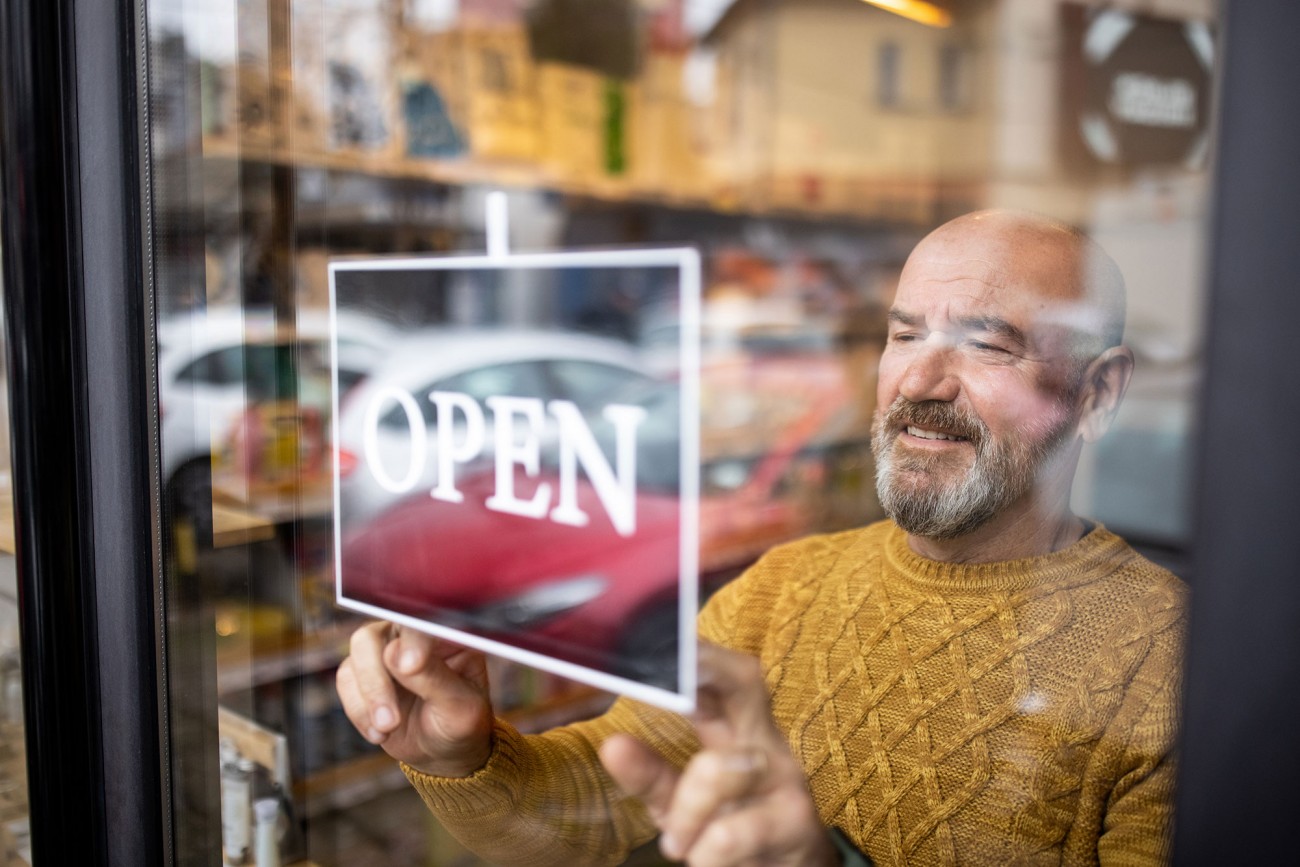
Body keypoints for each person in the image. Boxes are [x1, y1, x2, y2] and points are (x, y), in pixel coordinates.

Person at [336, 210, 1187, 866]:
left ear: (1098, 393)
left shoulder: (1174, 663)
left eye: (987, 345)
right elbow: (600, 795)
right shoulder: (786, 586)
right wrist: (463, 752)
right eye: (903, 334)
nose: (920, 382)